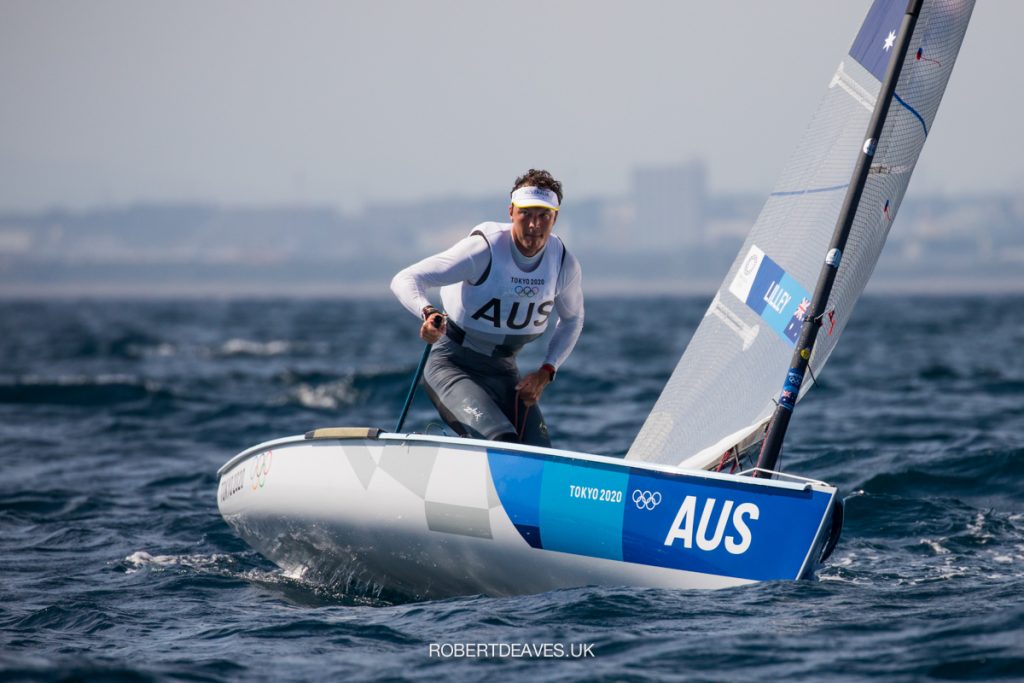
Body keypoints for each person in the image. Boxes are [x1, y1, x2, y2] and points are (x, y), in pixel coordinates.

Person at [390, 169, 584, 447]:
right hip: (452, 365)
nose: (534, 225)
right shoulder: (483, 250)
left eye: (544, 215)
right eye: (526, 214)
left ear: (555, 218)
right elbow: (406, 278)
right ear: (511, 212)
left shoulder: (563, 263)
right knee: (501, 441)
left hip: (504, 372)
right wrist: (427, 312)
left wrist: (546, 372)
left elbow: (572, 320)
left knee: (539, 451)